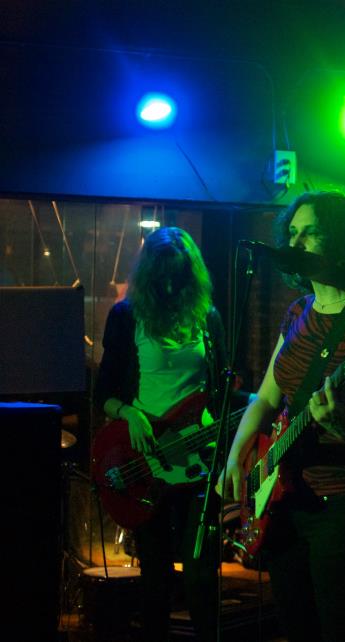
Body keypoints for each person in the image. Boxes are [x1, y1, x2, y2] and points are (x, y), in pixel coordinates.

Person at [218, 191, 345, 642]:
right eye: (292, 233)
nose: (296, 242)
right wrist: (236, 455)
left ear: (341, 242)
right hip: (288, 503)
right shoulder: (298, 311)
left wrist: (343, 428)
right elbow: (266, 398)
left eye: (310, 233)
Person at [93, 226, 226, 641]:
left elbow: (222, 389)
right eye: (162, 274)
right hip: (147, 459)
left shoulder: (208, 317)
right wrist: (130, 414)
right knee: (155, 575)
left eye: (177, 274)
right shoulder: (126, 316)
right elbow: (103, 393)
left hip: (198, 459)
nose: (169, 284)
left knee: (202, 573)